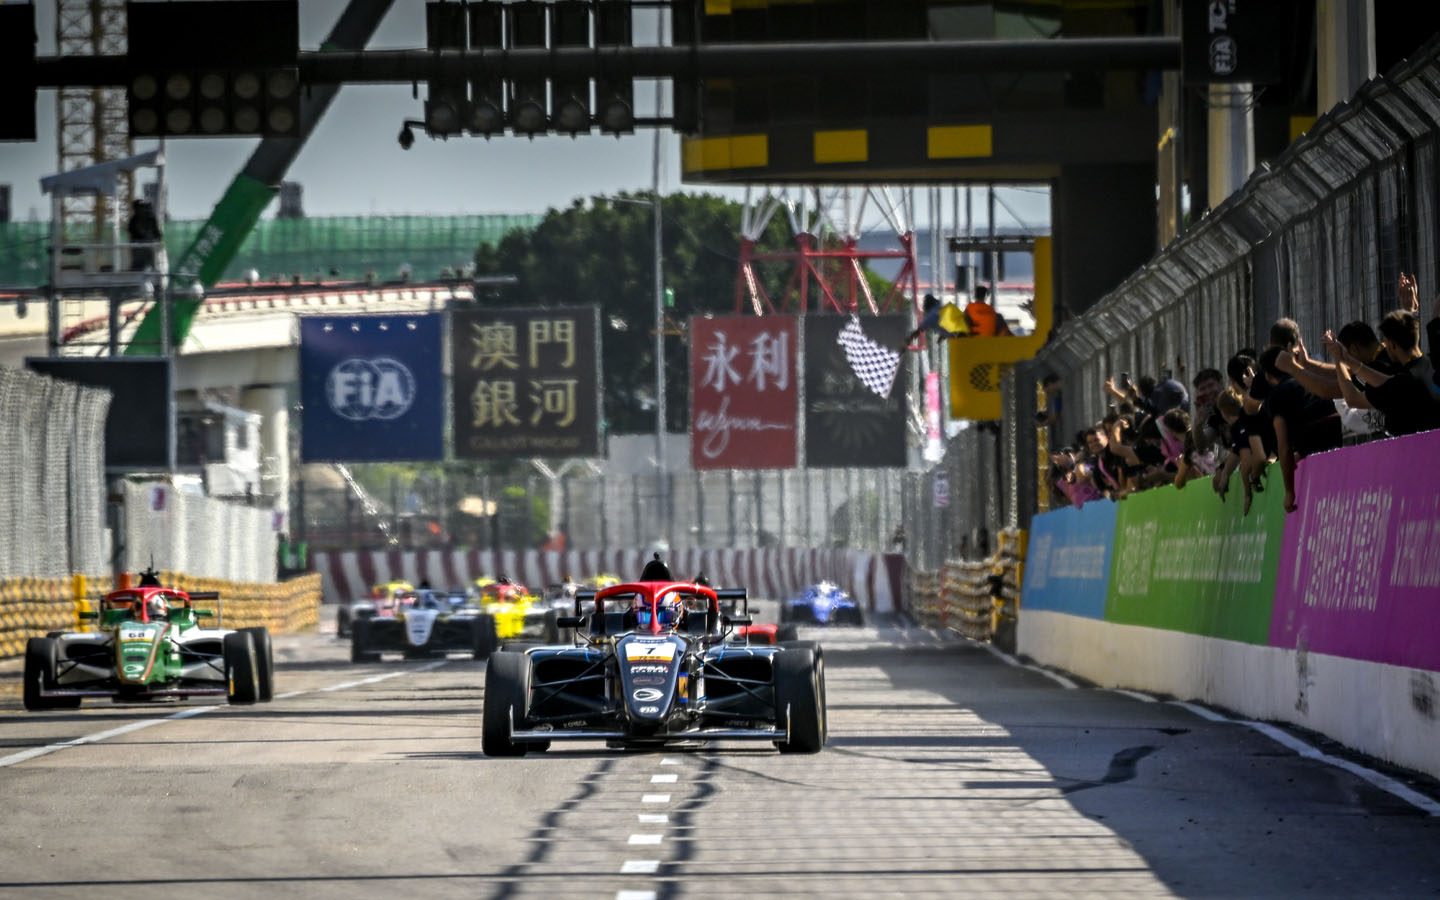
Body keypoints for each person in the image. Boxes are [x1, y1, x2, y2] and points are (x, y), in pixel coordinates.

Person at [1323, 311, 1439, 436]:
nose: (1384, 346)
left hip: (1419, 451)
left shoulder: (1402, 383)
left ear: (1392, 344)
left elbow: (1352, 399)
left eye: (1385, 342)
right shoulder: (1434, 363)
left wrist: (1339, 359)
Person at [901, 293, 967, 349]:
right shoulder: (943, 306)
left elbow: (919, 330)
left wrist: (908, 340)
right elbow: (949, 322)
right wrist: (942, 337)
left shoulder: (931, 315)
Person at [127, 199, 161, 271]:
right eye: (140, 207)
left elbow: (156, 232)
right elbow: (132, 230)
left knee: (151, 262)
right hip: (138, 245)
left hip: (148, 245)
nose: (143, 210)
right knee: (138, 264)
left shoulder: (150, 218)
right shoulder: (135, 219)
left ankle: (152, 271)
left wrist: (156, 238)